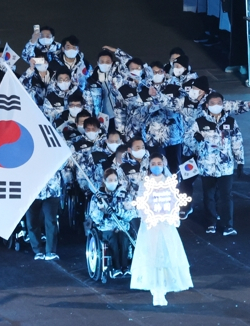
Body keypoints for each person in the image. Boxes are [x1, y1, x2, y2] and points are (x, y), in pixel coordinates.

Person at [129, 153, 193, 306]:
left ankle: (164, 287)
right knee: (152, 255)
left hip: (166, 225)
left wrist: (171, 216)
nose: (156, 166)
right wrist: (150, 217)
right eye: (153, 163)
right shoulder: (146, 183)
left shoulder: (168, 182)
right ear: (149, 166)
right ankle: (155, 290)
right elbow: (142, 204)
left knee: (168, 253)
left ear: (163, 165)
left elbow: (174, 201)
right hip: (151, 226)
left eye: (159, 163)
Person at [186, 92, 244, 236]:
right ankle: (211, 222)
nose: (216, 106)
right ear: (207, 105)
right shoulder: (199, 122)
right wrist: (197, 140)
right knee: (209, 195)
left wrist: (240, 162)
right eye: (212, 103)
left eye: (219, 103)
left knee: (226, 196)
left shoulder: (230, 121)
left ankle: (228, 225)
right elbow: (187, 139)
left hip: (226, 167)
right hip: (207, 166)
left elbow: (237, 141)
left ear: (223, 104)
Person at [89, 168, 135, 278]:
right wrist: (102, 211)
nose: (113, 182)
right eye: (110, 180)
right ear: (104, 181)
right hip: (106, 227)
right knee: (112, 238)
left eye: (115, 180)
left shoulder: (124, 195)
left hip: (121, 225)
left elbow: (131, 214)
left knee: (124, 238)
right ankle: (116, 268)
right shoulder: (97, 197)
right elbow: (95, 218)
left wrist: (118, 211)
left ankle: (125, 267)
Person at [26, 170, 63, 261]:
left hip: (52, 189)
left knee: (51, 220)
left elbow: (64, 164)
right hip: (32, 190)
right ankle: (38, 251)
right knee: (32, 221)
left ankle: (50, 251)